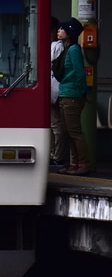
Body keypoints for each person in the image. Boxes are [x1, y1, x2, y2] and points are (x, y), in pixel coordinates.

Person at [55, 17, 90, 175]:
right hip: (65, 93)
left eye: (62, 29)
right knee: (68, 131)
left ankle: (82, 163)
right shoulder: (67, 48)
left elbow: (79, 73)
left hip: (72, 95)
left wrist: (83, 92)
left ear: (70, 33)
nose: (59, 31)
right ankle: (74, 162)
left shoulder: (74, 50)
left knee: (74, 131)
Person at [49, 17, 66, 169]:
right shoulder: (54, 46)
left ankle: (57, 155)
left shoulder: (57, 47)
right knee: (52, 124)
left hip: (55, 89)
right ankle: (52, 154)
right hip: (51, 90)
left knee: (56, 124)